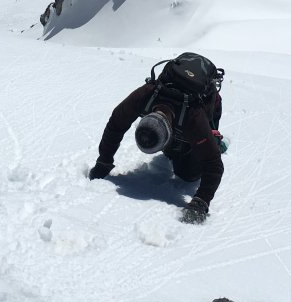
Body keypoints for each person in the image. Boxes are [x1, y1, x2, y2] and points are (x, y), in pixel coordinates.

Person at [88, 57, 226, 224]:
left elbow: (214, 164)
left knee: (188, 174)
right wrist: (104, 161)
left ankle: (215, 142)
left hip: (208, 109)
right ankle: (176, 147)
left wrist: (201, 202)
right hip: (178, 125)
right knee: (172, 151)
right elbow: (116, 124)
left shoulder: (193, 118)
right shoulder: (146, 95)